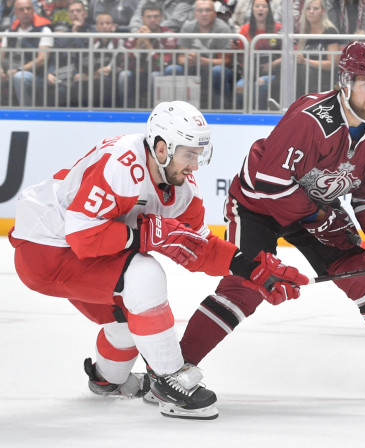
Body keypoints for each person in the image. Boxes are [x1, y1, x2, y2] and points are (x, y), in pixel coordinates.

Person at [9, 101, 308, 420]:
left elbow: (202, 247)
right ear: (162, 148)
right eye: (189, 154)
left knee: (129, 325)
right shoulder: (123, 163)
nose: (194, 165)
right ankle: (169, 381)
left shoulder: (183, 190)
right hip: (45, 248)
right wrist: (142, 235)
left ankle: (106, 379)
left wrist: (254, 269)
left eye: (198, 154)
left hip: (79, 254)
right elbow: (83, 234)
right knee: (144, 276)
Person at [177, 41, 365, 402]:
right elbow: (267, 183)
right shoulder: (310, 118)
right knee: (246, 287)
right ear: (345, 81)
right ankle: (173, 369)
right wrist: (319, 216)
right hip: (257, 207)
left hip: (314, 212)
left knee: (363, 276)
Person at [170, 0, 236, 109]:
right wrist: (189, 60)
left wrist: (201, 60)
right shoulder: (188, 27)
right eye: (200, 10)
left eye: (208, 10)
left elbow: (226, 61)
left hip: (215, 70)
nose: (204, 14)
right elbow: (180, 58)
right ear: (195, 13)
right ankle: (175, 112)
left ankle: (220, 112)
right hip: (193, 69)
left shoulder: (223, 29)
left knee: (218, 71)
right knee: (172, 69)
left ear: (214, 13)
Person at [119, 2, 179, 108]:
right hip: (138, 73)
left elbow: (163, 64)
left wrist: (147, 43)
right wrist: (138, 44)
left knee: (155, 75)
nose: (152, 20)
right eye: (149, 17)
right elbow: (125, 63)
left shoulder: (168, 35)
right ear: (142, 18)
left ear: (161, 18)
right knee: (124, 75)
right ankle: (128, 110)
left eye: (155, 16)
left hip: (158, 73)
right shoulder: (136, 35)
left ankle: (154, 111)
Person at [0, 0, 53, 107]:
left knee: (20, 77)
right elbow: (1, 56)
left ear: (33, 10)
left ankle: (26, 111)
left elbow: (42, 59)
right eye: (21, 9)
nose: (26, 12)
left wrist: (18, 70)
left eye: (28, 8)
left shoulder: (44, 30)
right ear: (15, 13)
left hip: (35, 75)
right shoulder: (9, 32)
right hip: (9, 70)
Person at [234, 0, 282, 110]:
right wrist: (236, 49)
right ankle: (243, 118)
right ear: (252, 9)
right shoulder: (245, 29)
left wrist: (272, 64)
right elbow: (241, 58)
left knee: (260, 84)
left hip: (273, 72)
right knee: (239, 87)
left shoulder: (278, 28)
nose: (260, 9)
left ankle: (259, 115)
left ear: (268, 9)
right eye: (257, 6)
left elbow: (288, 53)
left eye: (264, 6)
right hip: (251, 74)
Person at [294, 0, 341, 98]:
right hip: (304, 76)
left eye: (315, 8)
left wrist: (306, 61)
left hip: (325, 76)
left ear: (323, 11)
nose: (311, 11)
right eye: (308, 8)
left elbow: (332, 64)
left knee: (303, 68)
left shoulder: (330, 31)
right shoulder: (304, 32)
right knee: (292, 67)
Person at [128, 0, 194, 33]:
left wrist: (153, 31)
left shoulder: (185, 1)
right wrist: (138, 32)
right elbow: (136, 19)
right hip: (145, 35)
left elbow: (175, 22)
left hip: (170, 40)